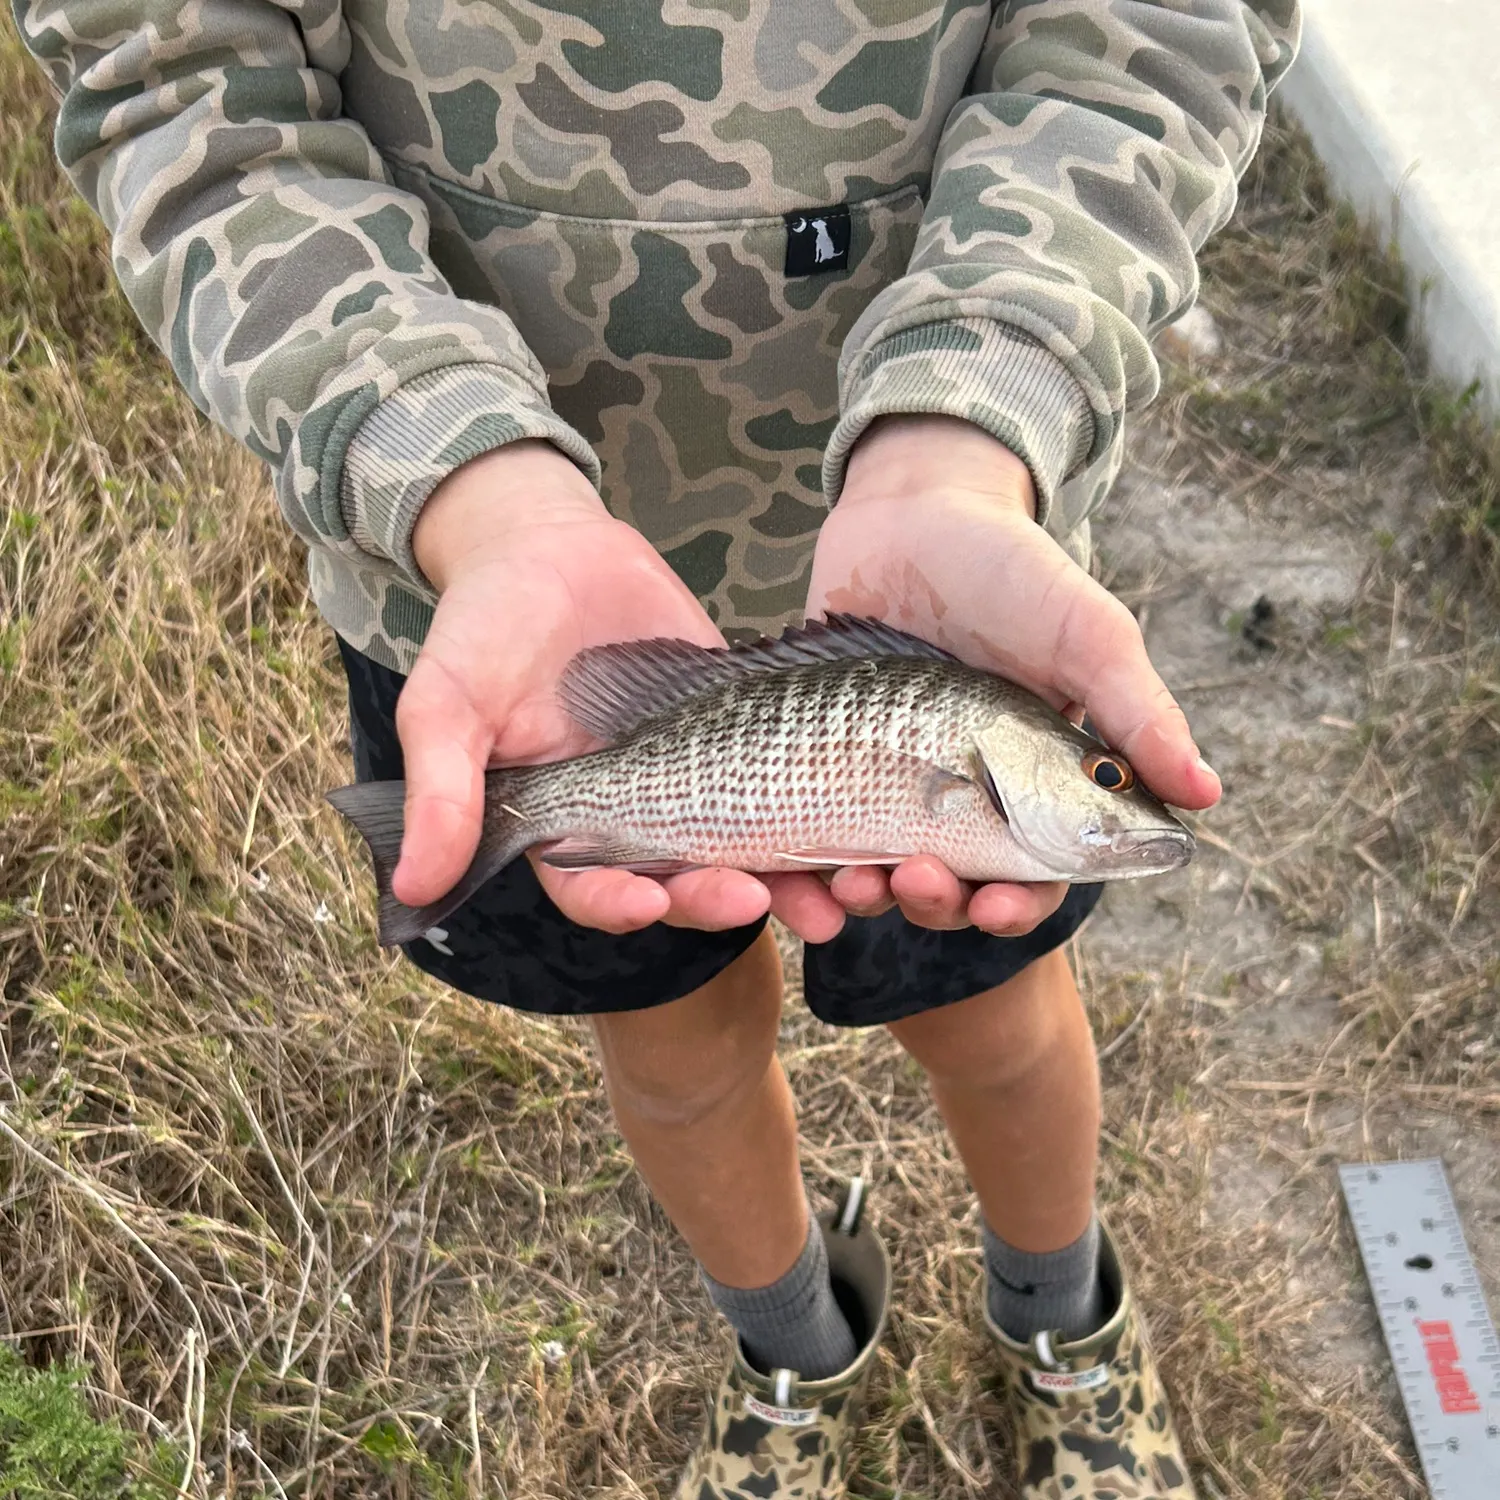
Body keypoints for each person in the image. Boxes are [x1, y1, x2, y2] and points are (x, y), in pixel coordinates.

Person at [16, 2, 1300, 1494]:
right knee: (676, 1044)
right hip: (494, 603)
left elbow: (1153, 43)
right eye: (1102, 783)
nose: (1116, 798)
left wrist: (974, 414)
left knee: (998, 1018)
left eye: (1101, 782)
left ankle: (1062, 1319)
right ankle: (795, 1344)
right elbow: (181, 87)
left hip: (957, 582)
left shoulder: (985, 743)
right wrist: (468, 485)